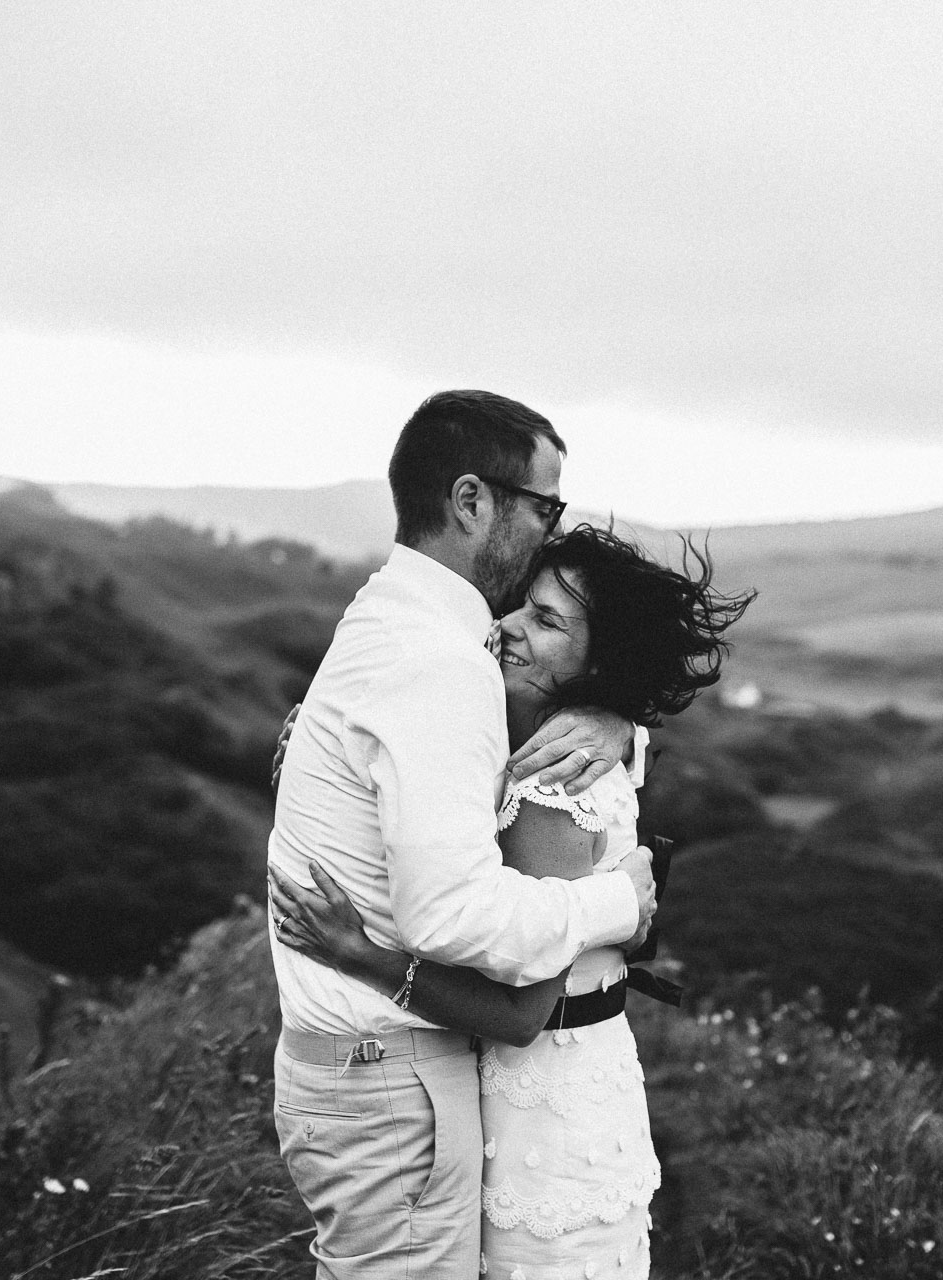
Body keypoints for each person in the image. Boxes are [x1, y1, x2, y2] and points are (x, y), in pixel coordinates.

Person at [273, 524, 753, 1280]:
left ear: (599, 663)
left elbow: (520, 1015)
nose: (507, 629)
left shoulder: (550, 789)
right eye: (521, 606)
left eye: (547, 621)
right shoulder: (555, 746)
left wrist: (361, 955)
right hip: (562, 1101)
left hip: (543, 1121)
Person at [265, 391, 660, 1279]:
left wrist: (621, 725)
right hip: (389, 1078)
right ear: (473, 500)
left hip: (394, 1073)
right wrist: (616, 901)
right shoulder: (440, 661)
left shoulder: (396, 616)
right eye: (545, 507)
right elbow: (453, 918)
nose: (551, 529)